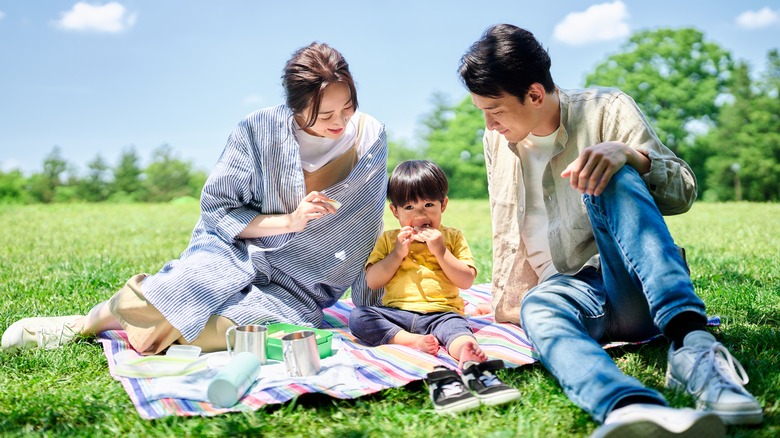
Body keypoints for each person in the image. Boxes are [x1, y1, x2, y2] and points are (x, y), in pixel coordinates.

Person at [458, 24, 763, 436]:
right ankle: (628, 405)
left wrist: (632, 156)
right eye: (482, 112)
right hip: (568, 292)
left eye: (494, 110)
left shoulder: (607, 108)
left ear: (533, 94)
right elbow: (509, 224)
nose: (489, 123)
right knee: (538, 308)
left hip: (631, 281)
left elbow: (684, 192)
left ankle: (692, 346)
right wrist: (503, 295)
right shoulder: (495, 141)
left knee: (610, 170)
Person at [2, 42, 388, 356]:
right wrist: (291, 220)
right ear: (295, 108)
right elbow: (219, 209)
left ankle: (146, 327)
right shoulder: (258, 130)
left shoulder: (368, 138)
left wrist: (375, 308)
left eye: (348, 108)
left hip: (298, 280)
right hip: (232, 250)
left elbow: (364, 225)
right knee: (170, 296)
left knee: (234, 331)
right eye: (325, 115)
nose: (340, 122)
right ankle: (87, 323)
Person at [349, 160, 520, 414]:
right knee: (359, 316)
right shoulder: (389, 240)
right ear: (395, 211)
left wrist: (441, 252)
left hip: (443, 313)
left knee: (457, 328)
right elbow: (373, 281)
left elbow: (466, 280)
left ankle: (466, 353)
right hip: (398, 314)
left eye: (429, 205)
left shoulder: (451, 238)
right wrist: (397, 253)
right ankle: (411, 341)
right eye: (410, 207)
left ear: (444, 205)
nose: (420, 215)